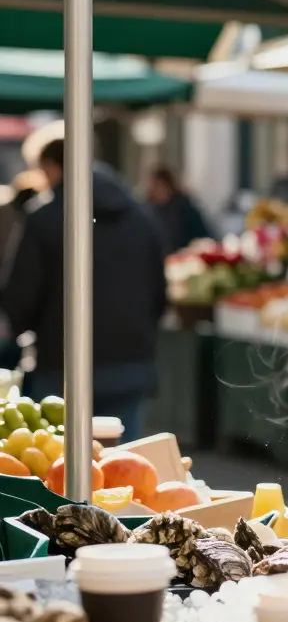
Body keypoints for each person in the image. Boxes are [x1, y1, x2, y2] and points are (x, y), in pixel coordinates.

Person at [0, 139, 168, 440]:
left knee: (56, 467)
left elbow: (20, 294)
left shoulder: (45, 218)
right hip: (129, 361)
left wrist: (23, 334)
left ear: (52, 167)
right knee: (124, 468)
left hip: (60, 363)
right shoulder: (142, 219)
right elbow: (159, 291)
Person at [146, 165, 213, 254]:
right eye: (156, 186)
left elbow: (203, 235)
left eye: (162, 186)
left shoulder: (185, 208)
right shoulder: (148, 211)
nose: (159, 191)